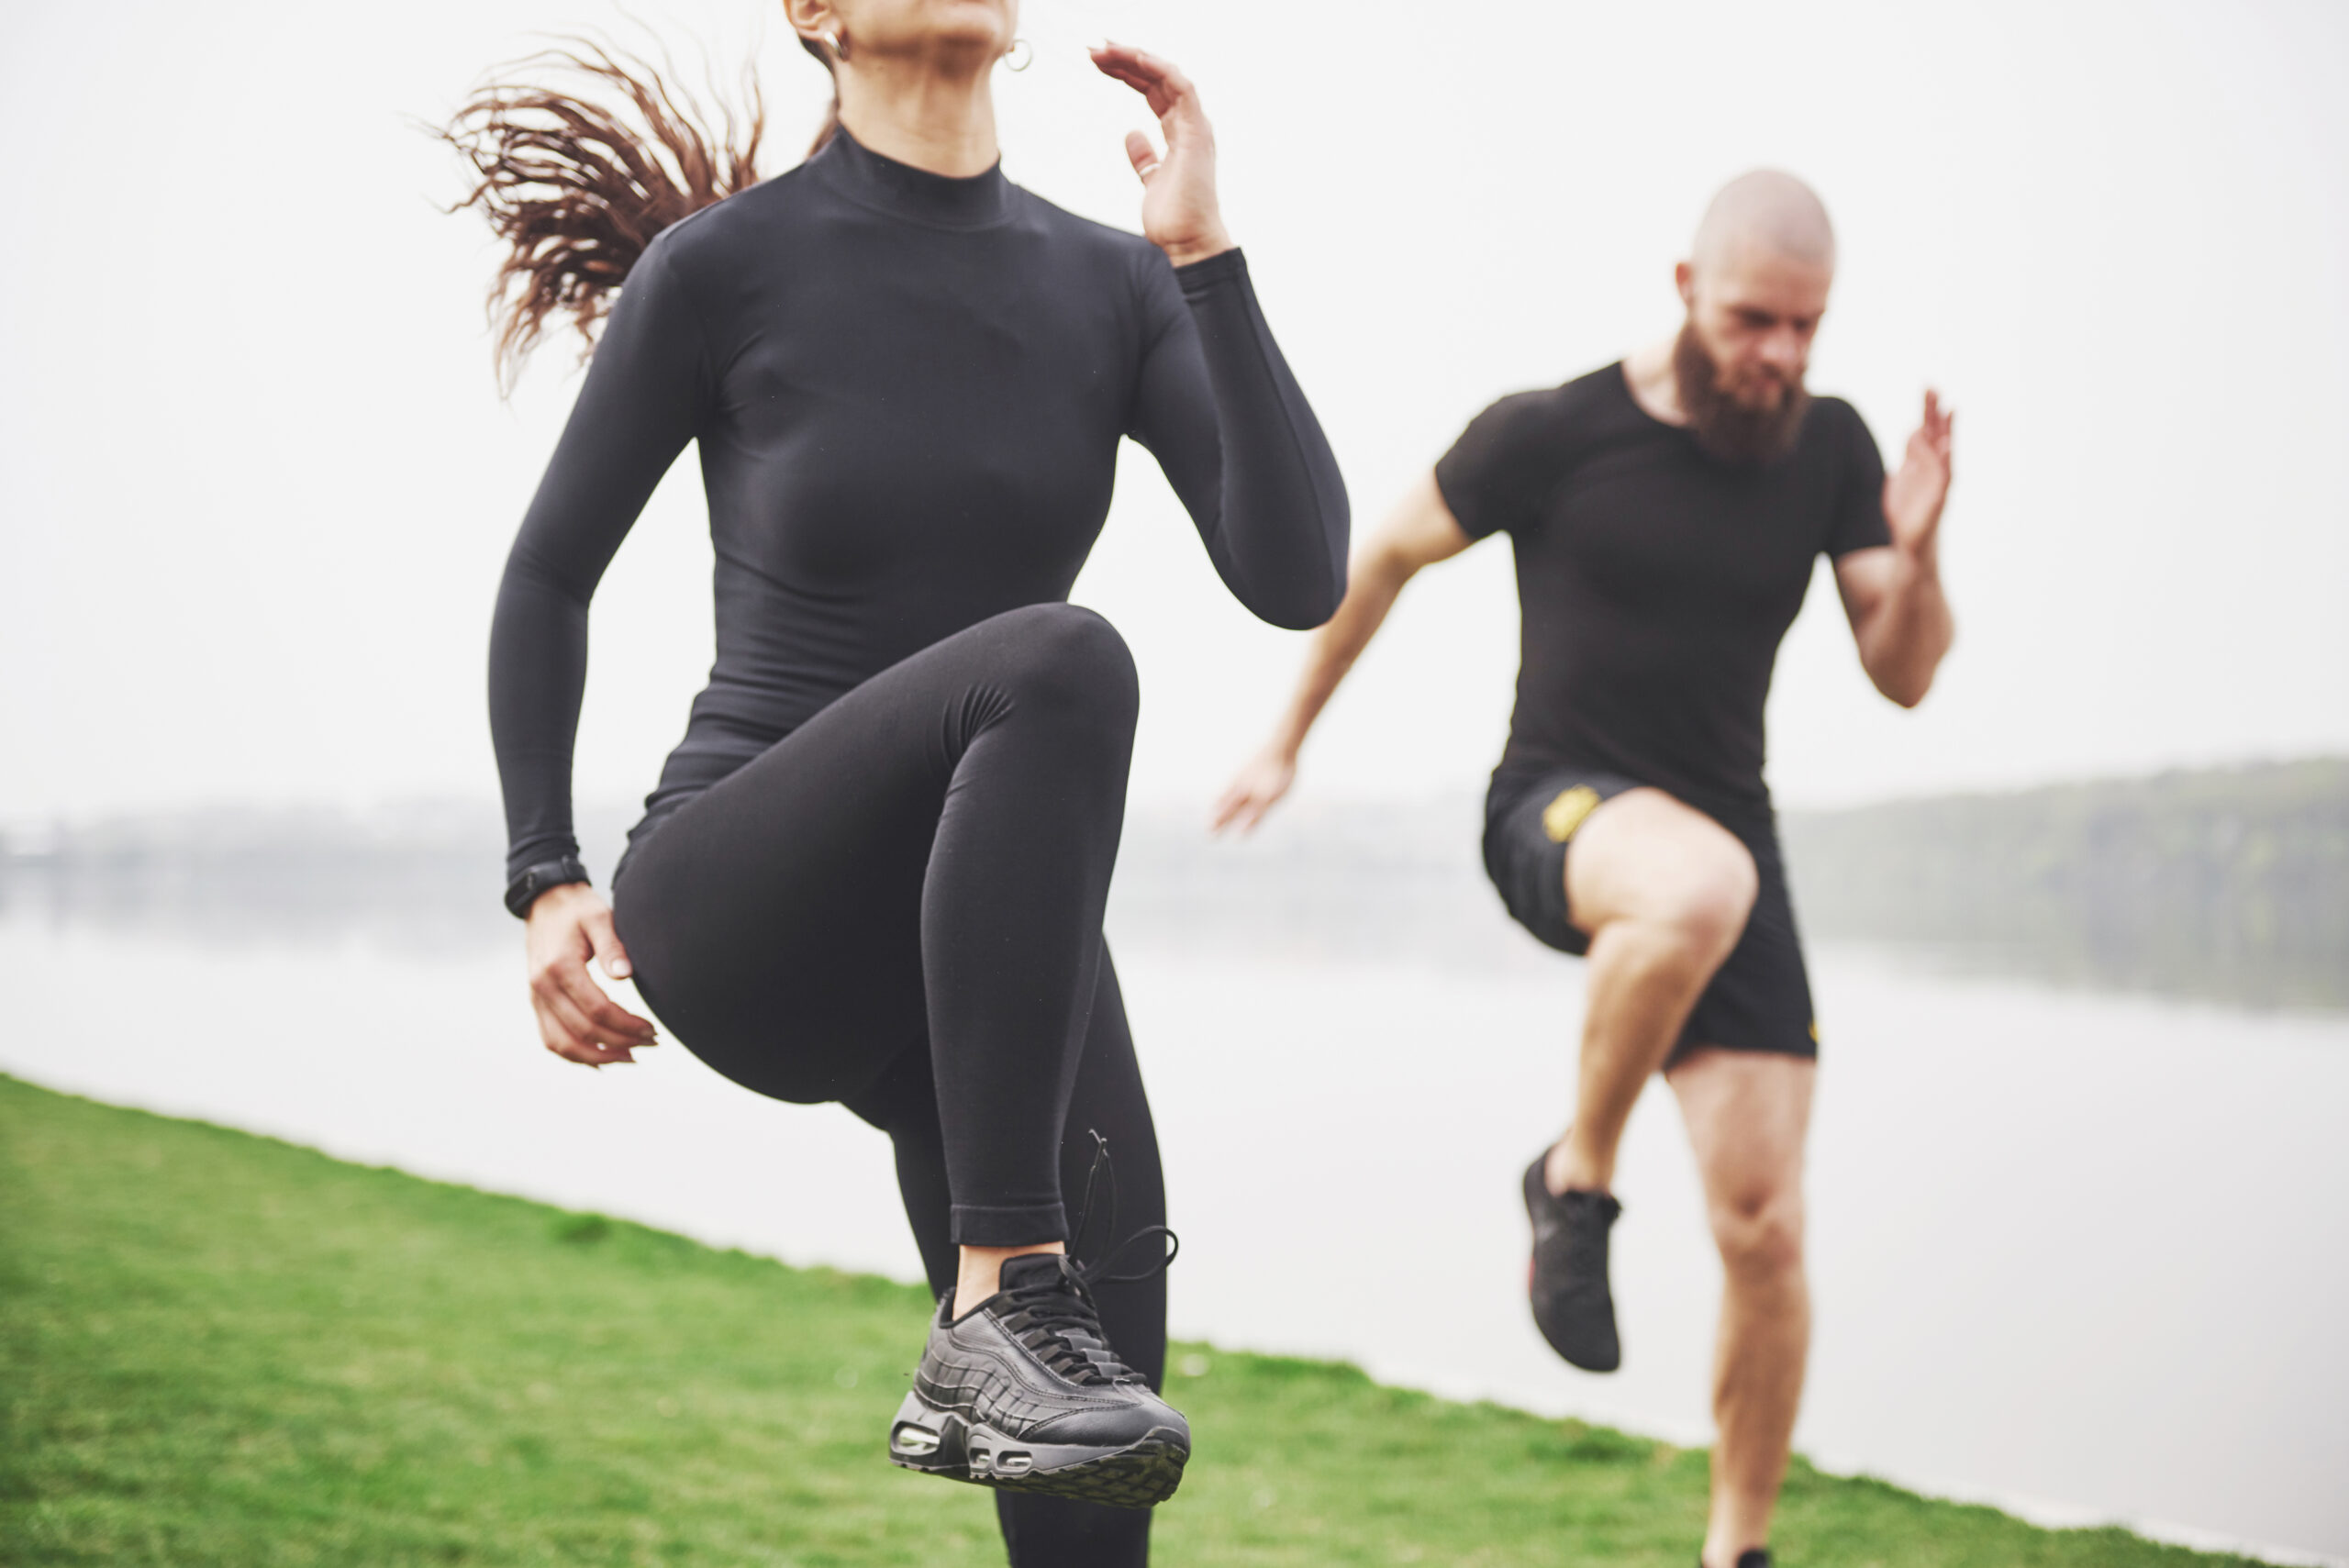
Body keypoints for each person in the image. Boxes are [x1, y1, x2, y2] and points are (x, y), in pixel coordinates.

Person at [453, 3, 1348, 1562]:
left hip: (984, 956)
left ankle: (1016, 1313)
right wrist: (545, 873)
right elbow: (545, 578)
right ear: (814, 11)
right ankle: (997, 1286)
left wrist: (1205, 260)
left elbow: (1299, 575)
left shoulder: (1113, 281)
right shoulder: (725, 269)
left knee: (1098, 1455)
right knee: (1061, 661)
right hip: (748, 894)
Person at [1213, 170, 1954, 1568]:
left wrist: (1918, 555)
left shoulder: (1831, 450)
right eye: (1756, 322)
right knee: (1693, 884)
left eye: (1809, 327)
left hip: (1728, 843)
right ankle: (1578, 1176)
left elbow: (1902, 674)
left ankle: (1736, 1549)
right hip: (1556, 813)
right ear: (1686, 288)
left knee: (1767, 1230)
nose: (1784, 356)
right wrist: (1286, 740)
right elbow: (1378, 558)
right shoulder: (1553, 432)